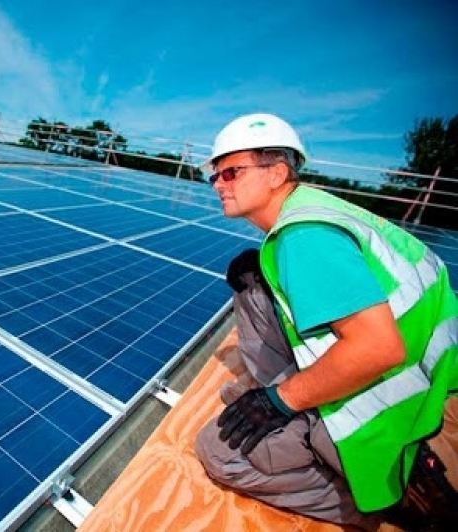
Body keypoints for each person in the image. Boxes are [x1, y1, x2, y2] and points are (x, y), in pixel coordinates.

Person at [193, 113, 458, 530]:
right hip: (416, 360)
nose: (218, 184)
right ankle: (302, 408)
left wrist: (281, 400)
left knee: (218, 451)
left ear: (278, 172)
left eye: (231, 172)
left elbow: (379, 349)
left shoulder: (305, 238)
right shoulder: (311, 210)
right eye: (215, 175)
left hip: (392, 392)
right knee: (253, 284)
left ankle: (382, 498)